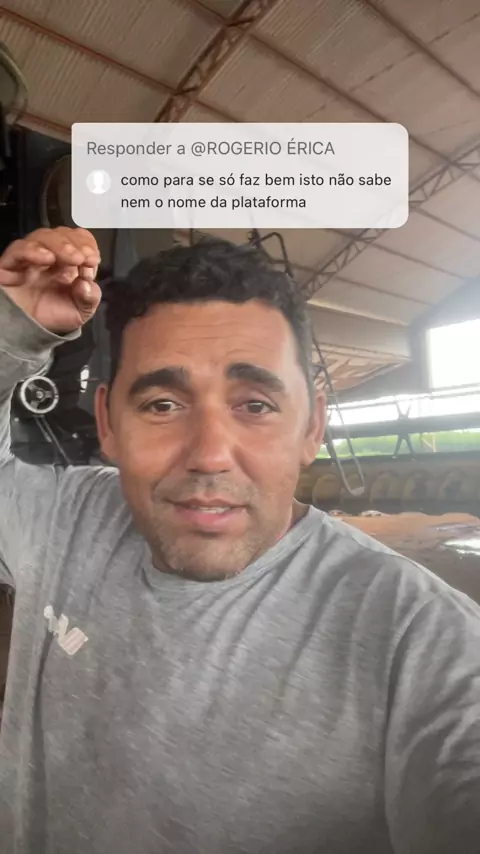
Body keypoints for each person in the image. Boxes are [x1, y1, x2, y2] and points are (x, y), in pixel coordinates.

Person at [0, 226, 479, 854]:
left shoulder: (419, 640)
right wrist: (11, 335)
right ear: (107, 424)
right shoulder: (71, 518)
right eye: (162, 404)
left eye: (255, 405)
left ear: (312, 427)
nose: (209, 455)